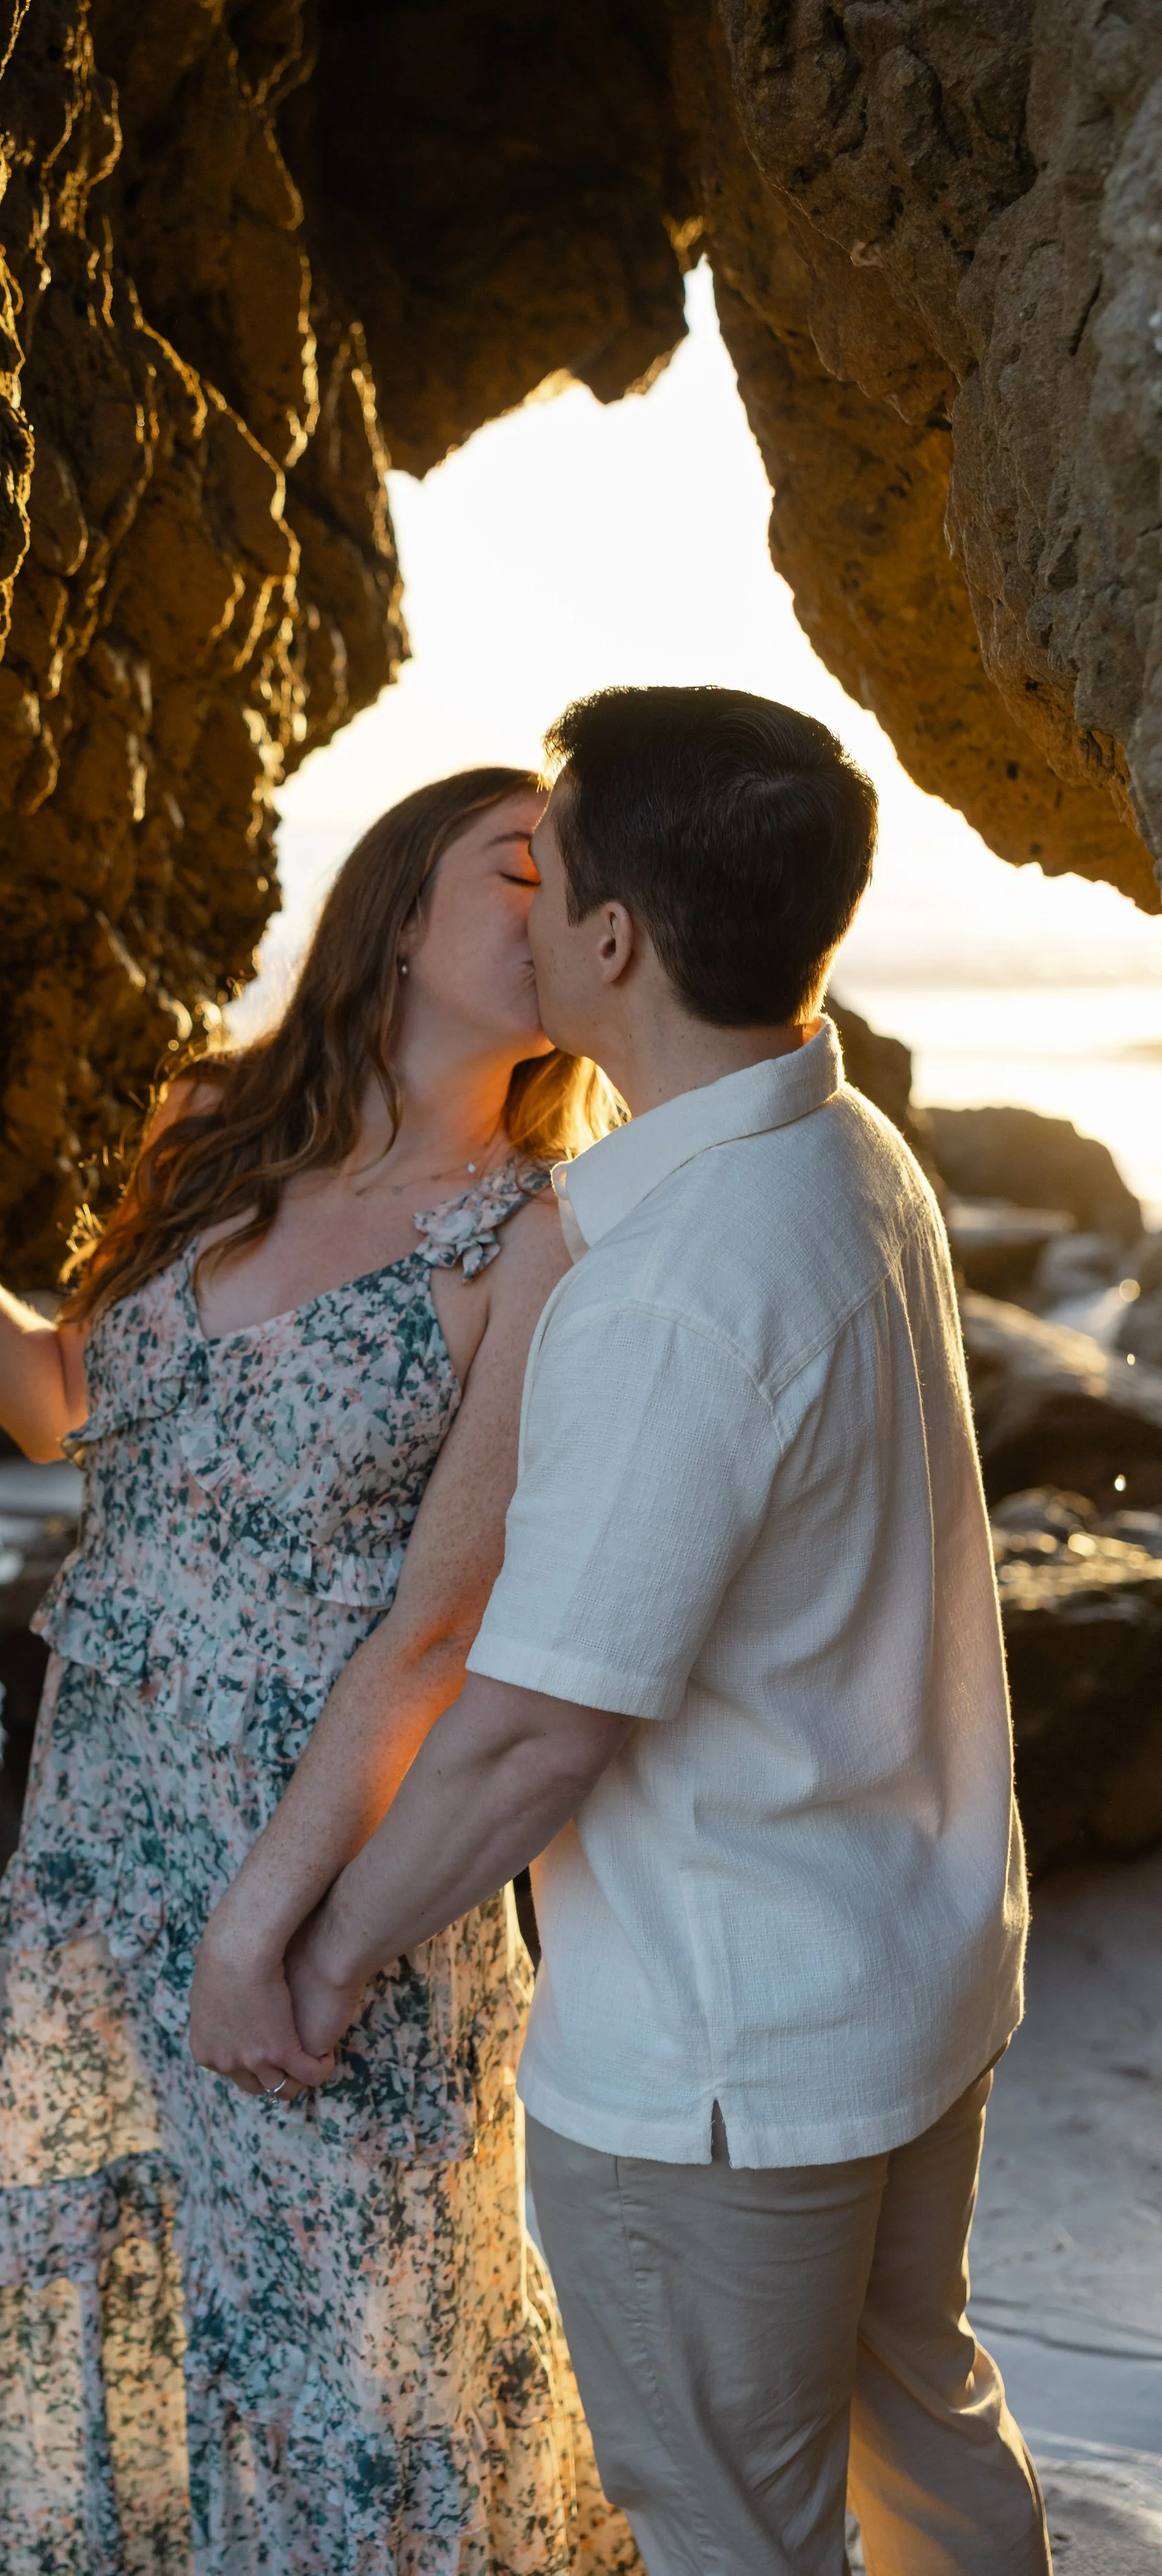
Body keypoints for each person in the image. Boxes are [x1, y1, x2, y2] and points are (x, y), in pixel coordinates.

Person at [220, 688, 1047, 2576]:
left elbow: (535, 1727)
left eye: (550, 868)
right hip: (911, 1972)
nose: (520, 914)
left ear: (612, 940)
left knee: (734, 2529)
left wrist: (327, 1955)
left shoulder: (673, 1279)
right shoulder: (845, 1156)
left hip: (726, 2051)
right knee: (926, 2439)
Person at [0, 769, 642, 2574]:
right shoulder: (211, 1122)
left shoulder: (538, 1235)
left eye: (576, 887)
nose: (551, 907)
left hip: (330, 1852)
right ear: (389, 907)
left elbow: (439, 1624)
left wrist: (275, 1925)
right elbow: (78, 1404)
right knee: (145, 2290)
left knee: (352, 2345)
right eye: (514, 866)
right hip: (104, 1825)